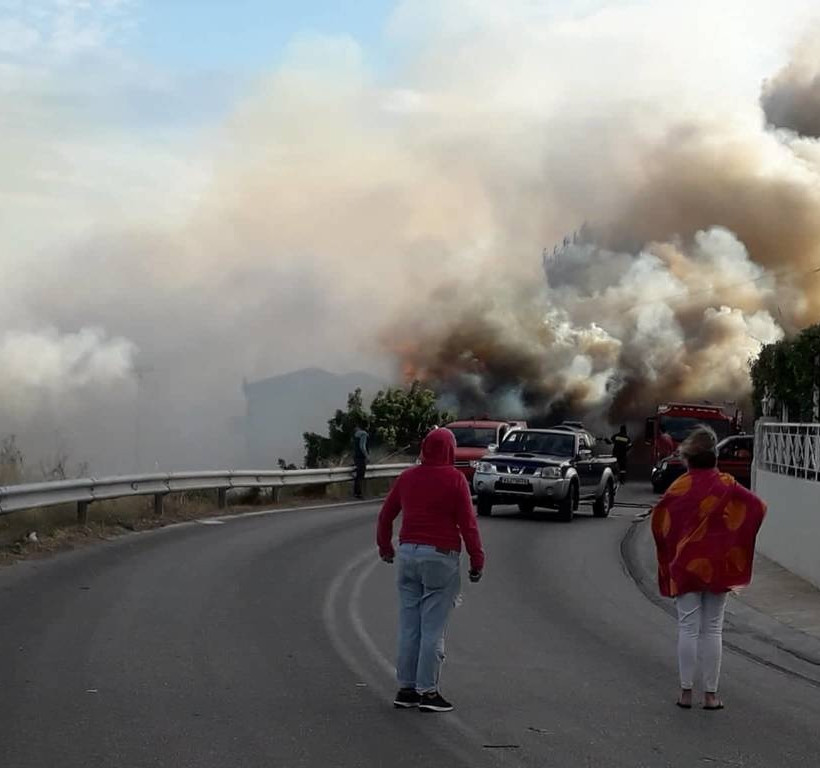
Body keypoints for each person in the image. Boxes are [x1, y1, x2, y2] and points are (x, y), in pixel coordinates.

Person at [650, 425, 766, 711]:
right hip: (718, 567)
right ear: (715, 458)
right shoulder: (727, 485)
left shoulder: (679, 488)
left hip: (687, 566)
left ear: (688, 459)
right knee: (713, 629)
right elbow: (756, 508)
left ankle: (686, 693)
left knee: (688, 628)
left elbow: (660, 522)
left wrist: (673, 551)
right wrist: (730, 537)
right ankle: (711, 696)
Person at [376, 427, 485, 713]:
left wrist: (385, 548)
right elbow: (468, 525)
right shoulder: (455, 480)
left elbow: (386, 515)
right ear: (450, 450)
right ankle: (428, 691)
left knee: (410, 626)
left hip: (408, 555)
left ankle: (406, 688)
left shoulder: (407, 477)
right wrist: (477, 560)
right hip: (440, 557)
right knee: (433, 628)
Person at [352, 422, 369, 499]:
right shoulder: (363, 434)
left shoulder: (355, 435)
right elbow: (362, 446)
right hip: (361, 458)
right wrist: (367, 456)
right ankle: (359, 493)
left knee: (358, 476)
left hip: (356, 457)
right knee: (360, 476)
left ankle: (356, 492)